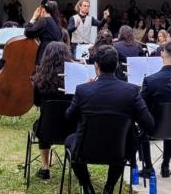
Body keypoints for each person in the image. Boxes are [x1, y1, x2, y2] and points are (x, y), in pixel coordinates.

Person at [65, 45, 155, 194]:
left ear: (96, 66)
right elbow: (149, 124)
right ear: (118, 65)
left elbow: (68, 117)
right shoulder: (131, 91)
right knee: (124, 141)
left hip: (85, 150)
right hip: (118, 151)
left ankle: (87, 186)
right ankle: (109, 187)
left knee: (70, 141)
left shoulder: (83, 90)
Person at [137, 39, 171, 178]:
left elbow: (141, 106)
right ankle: (165, 165)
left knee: (142, 125)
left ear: (161, 54)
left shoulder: (150, 80)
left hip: (153, 129)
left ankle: (148, 167)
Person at [29, 41, 74, 180]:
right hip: (72, 129)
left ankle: (45, 168)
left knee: (41, 124)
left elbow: (36, 102)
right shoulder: (75, 78)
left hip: (47, 130)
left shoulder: (39, 80)